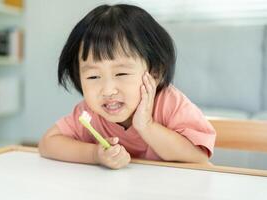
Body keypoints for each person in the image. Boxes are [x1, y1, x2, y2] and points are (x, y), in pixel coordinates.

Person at [38, 4, 216, 169]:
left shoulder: (170, 104)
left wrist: (146, 126)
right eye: (93, 76)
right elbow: (48, 143)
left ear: (154, 72)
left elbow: (199, 156)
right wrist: (95, 154)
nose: (108, 91)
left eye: (121, 74)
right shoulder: (90, 113)